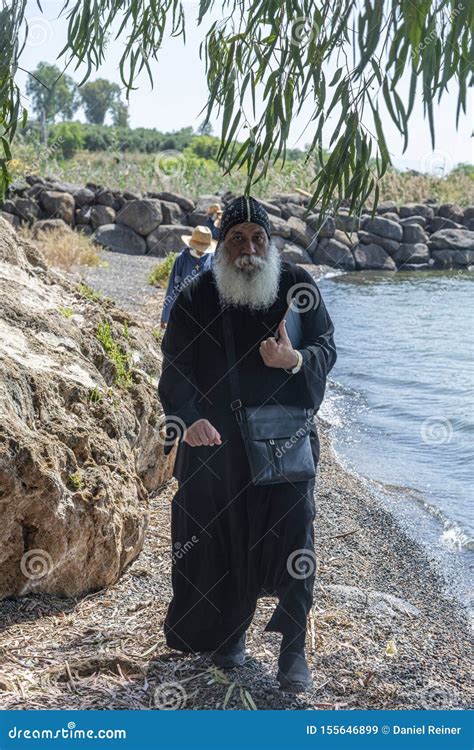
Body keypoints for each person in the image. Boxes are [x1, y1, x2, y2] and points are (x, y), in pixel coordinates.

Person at [158, 196, 337, 692]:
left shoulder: (297, 286)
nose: (248, 249)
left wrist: (294, 361)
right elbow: (174, 368)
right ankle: (228, 632)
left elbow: (326, 345)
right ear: (221, 246)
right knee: (220, 539)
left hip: (285, 442)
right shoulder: (196, 295)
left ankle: (293, 648)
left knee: (294, 537)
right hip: (217, 447)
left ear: (271, 242)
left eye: (258, 238)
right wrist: (188, 419)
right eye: (237, 239)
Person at [160, 226, 216, 328]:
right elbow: (173, 287)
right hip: (183, 310)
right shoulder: (181, 259)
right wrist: (166, 316)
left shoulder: (213, 260)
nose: (201, 251)